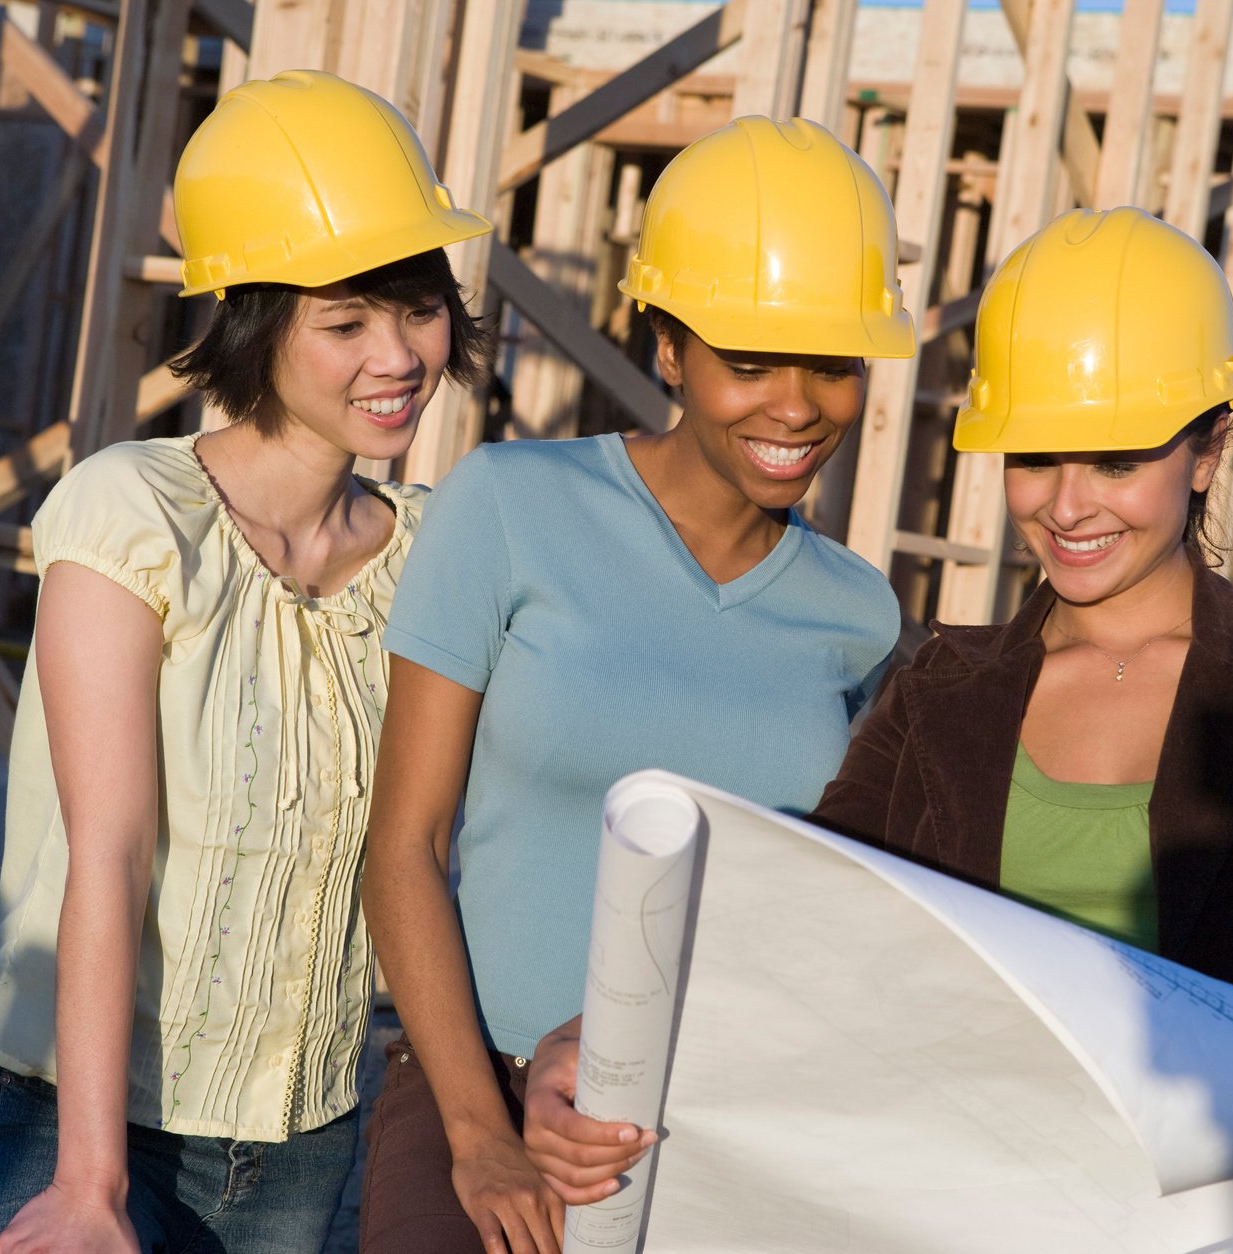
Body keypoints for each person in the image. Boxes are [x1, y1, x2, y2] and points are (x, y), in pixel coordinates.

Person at [521, 207, 1233, 1241]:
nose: (1066, 508)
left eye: (1114, 463)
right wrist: (599, 1044)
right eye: (1034, 458)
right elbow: (806, 933)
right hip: (975, 1218)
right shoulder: (944, 690)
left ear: (1206, 452)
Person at [0, 70, 491, 1254]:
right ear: (251, 324)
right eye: (345, 323)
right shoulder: (135, 509)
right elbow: (111, 848)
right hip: (71, 1115)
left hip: (300, 1137)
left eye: (419, 309)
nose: (398, 357)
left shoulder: (435, 552)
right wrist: (90, 1183)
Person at [359, 116, 914, 1254]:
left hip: (720, 1115)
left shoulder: (861, 614)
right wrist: (480, 1134)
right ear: (668, 348)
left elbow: (815, 912)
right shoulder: (509, 507)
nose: (797, 404)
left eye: (833, 363)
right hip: (486, 1081)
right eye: (750, 359)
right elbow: (402, 844)